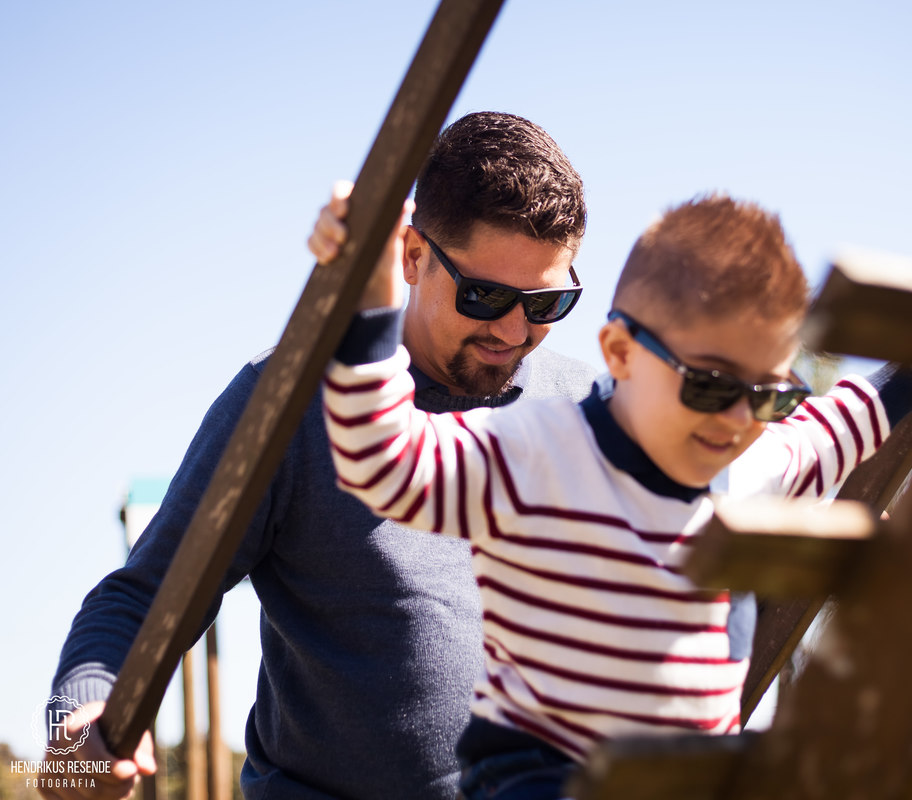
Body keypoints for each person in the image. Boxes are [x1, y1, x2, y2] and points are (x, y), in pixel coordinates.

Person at [44, 111, 596, 800]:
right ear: (413, 256)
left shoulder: (592, 410)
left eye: (546, 303)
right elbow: (144, 596)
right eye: (486, 296)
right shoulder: (290, 402)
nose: (514, 331)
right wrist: (81, 720)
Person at [321, 194, 912, 800]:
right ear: (620, 353)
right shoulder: (536, 452)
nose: (739, 419)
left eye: (770, 395)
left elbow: (847, 419)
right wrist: (370, 300)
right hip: (545, 776)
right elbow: (382, 460)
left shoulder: (748, 463)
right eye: (711, 386)